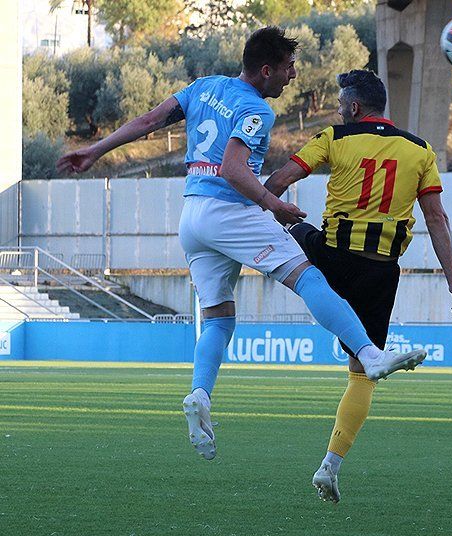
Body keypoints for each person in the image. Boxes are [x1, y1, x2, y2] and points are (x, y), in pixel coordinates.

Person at [55, 28, 425, 462]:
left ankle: (199, 394)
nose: (292, 76)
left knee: (218, 320)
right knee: (309, 278)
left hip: (192, 215)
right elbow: (233, 168)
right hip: (229, 211)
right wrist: (273, 204)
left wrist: (94, 151)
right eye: (288, 68)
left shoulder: (204, 86)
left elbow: (148, 121)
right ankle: (368, 353)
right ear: (266, 70)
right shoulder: (255, 110)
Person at [263, 69, 452, 503]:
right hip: (381, 272)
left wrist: (279, 208)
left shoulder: (335, 137)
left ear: (354, 107)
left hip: (332, 256)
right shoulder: (420, 150)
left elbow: (277, 183)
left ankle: (229, 267)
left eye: (341, 104)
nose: (339, 110)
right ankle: (330, 466)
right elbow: (436, 219)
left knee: (291, 229)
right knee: (362, 375)